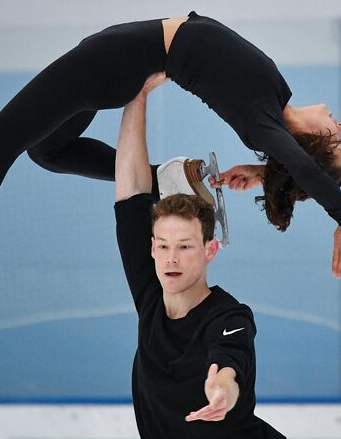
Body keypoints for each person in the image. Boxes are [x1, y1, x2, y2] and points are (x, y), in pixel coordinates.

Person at [0, 11, 341, 312]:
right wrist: (271, 172)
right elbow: (295, 164)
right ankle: (166, 179)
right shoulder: (273, 102)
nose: (339, 127)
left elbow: (302, 167)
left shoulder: (261, 121)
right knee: (47, 150)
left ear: (309, 148)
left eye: (334, 141)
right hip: (119, 57)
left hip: (116, 63)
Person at [114, 74, 285, 438]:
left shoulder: (229, 316)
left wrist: (222, 390)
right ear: (152, 249)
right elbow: (130, 187)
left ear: (210, 250)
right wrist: (138, 92)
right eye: (163, 246)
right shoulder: (152, 292)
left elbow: (229, 360)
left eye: (185, 246)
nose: (171, 258)